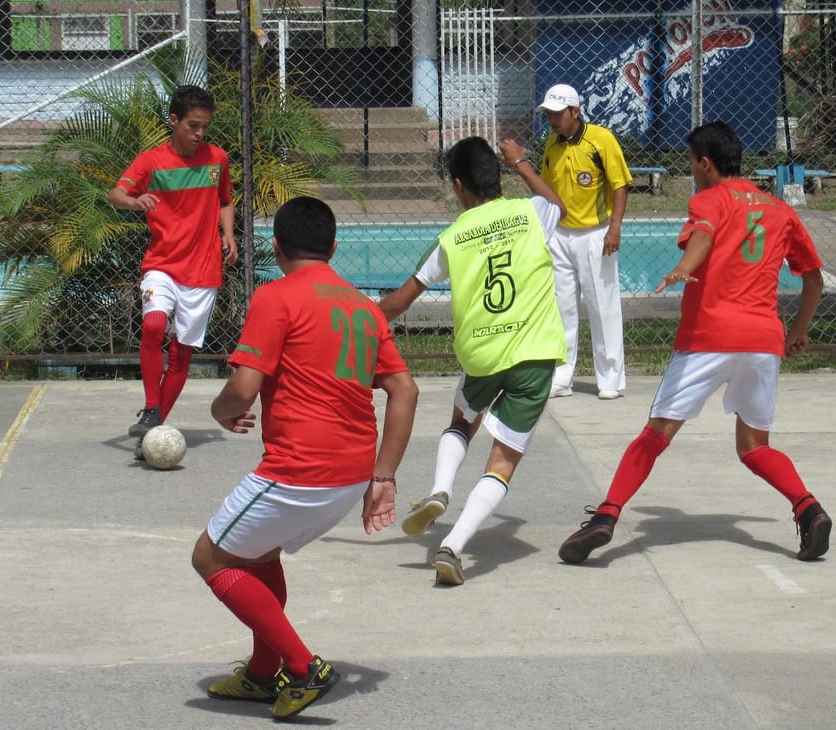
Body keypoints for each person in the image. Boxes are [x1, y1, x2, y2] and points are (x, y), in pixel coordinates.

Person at [558, 120, 831, 565]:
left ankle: (606, 516)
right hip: (762, 341)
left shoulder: (708, 199)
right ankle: (809, 508)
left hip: (710, 336)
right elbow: (814, 279)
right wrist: (799, 330)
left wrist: (686, 265)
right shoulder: (780, 210)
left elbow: (703, 234)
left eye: (690, 162)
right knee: (755, 446)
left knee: (654, 437)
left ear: (705, 163)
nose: (691, 170)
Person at [191, 196, 418, 719]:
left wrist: (219, 409)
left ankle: (300, 665)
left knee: (209, 557)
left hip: (299, 470)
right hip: (352, 473)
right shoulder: (363, 307)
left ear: (276, 248)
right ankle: (259, 674)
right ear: (333, 248)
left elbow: (242, 390)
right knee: (259, 555)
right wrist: (383, 475)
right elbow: (404, 390)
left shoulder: (276, 297)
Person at [378, 136, 567, 586]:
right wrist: (521, 162)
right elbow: (555, 202)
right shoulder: (533, 214)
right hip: (534, 353)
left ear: (459, 186)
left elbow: (400, 301)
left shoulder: (451, 238)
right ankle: (453, 546)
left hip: (481, 354)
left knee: (463, 423)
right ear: (497, 176)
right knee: (503, 460)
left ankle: (440, 488)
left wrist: (352, 318)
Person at [108, 84, 238, 442]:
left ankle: (153, 427)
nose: (200, 133)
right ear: (174, 120)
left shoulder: (217, 158)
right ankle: (152, 407)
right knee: (152, 327)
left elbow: (225, 200)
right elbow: (116, 193)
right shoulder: (151, 161)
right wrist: (136, 203)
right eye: (193, 125)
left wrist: (228, 234)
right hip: (162, 265)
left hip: (203, 271)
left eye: (205, 127)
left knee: (181, 355)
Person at [501, 82, 631, 400]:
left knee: (603, 306)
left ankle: (610, 377)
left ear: (575, 111)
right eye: (549, 114)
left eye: (558, 114)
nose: (553, 120)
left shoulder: (601, 140)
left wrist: (614, 228)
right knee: (562, 308)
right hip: (561, 234)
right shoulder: (552, 145)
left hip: (595, 233)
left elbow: (620, 185)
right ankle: (562, 375)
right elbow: (547, 190)